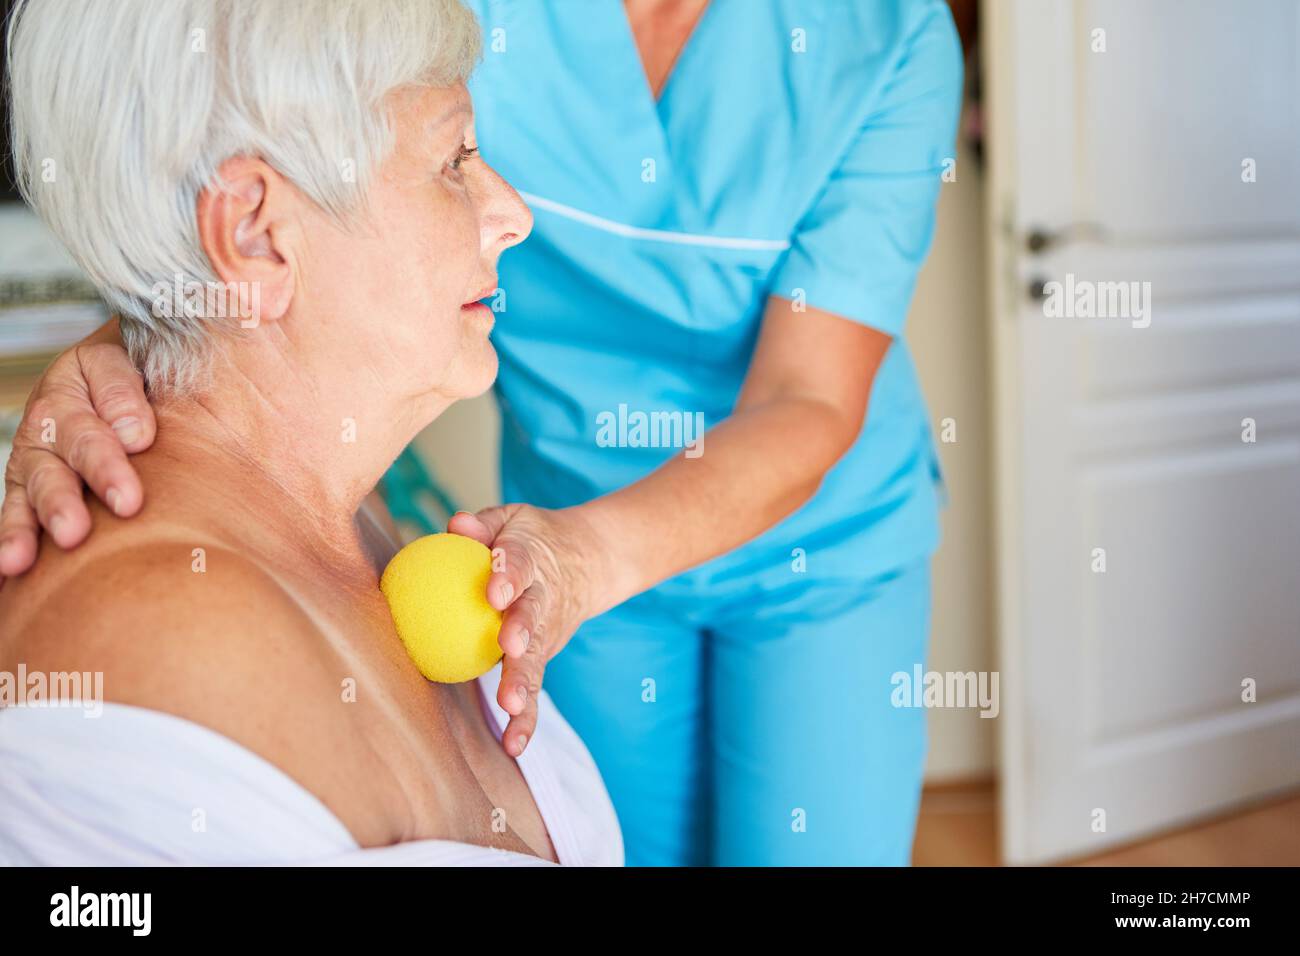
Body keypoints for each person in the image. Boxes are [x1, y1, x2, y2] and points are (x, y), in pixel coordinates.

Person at [2, 0, 964, 866]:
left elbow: (809, 398)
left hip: (809, 541)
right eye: (462, 162)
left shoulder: (885, 35)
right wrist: (130, 340)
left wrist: (587, 559)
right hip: (558, 515)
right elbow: (238, 160)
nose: (512, 214)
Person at [0, 0, 620, 867]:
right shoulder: (165, 647)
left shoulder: (339, 515)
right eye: (454, 160)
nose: (512, 213)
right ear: (256, 233)